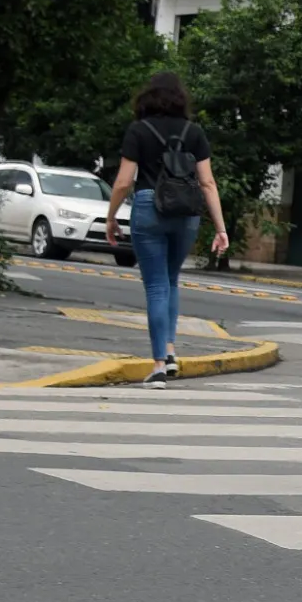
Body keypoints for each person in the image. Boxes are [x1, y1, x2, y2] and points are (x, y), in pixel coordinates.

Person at [103, 71, 229, 383]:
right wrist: (221, 228)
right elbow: (208, 183)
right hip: (186, 212)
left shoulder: (138, 131)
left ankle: (159, 364)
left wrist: (111, 216)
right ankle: (170, 350)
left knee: (156, 286)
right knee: (171, 281)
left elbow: (123, 182)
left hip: (148, 207)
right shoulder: (194, 132)